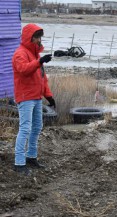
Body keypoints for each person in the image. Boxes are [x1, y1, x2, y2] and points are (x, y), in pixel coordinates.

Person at [12, 23, 55, 175]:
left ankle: (31, 157)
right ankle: (19, 163)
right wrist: (39, 62)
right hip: (25, 97)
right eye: (36, 37)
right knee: (25, 128)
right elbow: (24, 70)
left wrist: (49, 96)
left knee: (37, 127)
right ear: (29, 37)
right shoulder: (20, 53)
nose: (38, 40)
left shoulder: (36, 55)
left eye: (39, 37)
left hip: (36, 97)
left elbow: (42, 79)